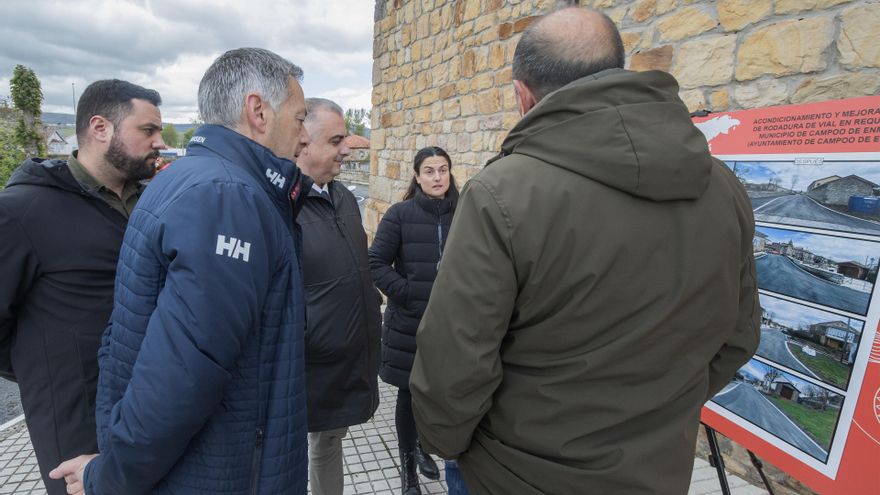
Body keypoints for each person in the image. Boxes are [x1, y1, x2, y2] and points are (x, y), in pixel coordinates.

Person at [409, 7, 760, 495]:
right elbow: (739, 336)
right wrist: (660, 414)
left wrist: (448, 442)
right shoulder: (723, 187)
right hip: (656, 472)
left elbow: (454, 363)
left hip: (513, 473)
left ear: (522, 96)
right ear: (618, 69)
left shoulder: (501, 193)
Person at [49, 47, 312, 495]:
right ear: (258, 111)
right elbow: (184, 373)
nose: (304, 134)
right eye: (300, 117)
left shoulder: (193, 178)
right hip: (222, 473)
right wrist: (109, 477)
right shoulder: (225, 197)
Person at [0, 79, 165, 495]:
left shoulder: (151, 202)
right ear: (100, 127)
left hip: (149, 407)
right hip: (77, 427)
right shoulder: (22, 212)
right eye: (148, 130)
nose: (160, 142)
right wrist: (46, 370)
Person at [296, 97, 381, 495]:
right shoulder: (281, 205)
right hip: (307, 363)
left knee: (329, 442)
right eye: (336, 140)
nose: (346, 148)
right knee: (294, 449)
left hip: (345, 358)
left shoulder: (344, 197)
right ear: (304, 142)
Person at [368, 147, 458, 495]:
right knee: (409, 395)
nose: (438, 177)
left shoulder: (466, 212)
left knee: (440, 395)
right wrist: (406, 292)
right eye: (430, 171)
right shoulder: (400, 215)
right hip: (410, 325)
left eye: (443, 170)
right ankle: (408, 472)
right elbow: (375, 262)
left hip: (452, 327)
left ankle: (426, 446)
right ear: (417, 177)